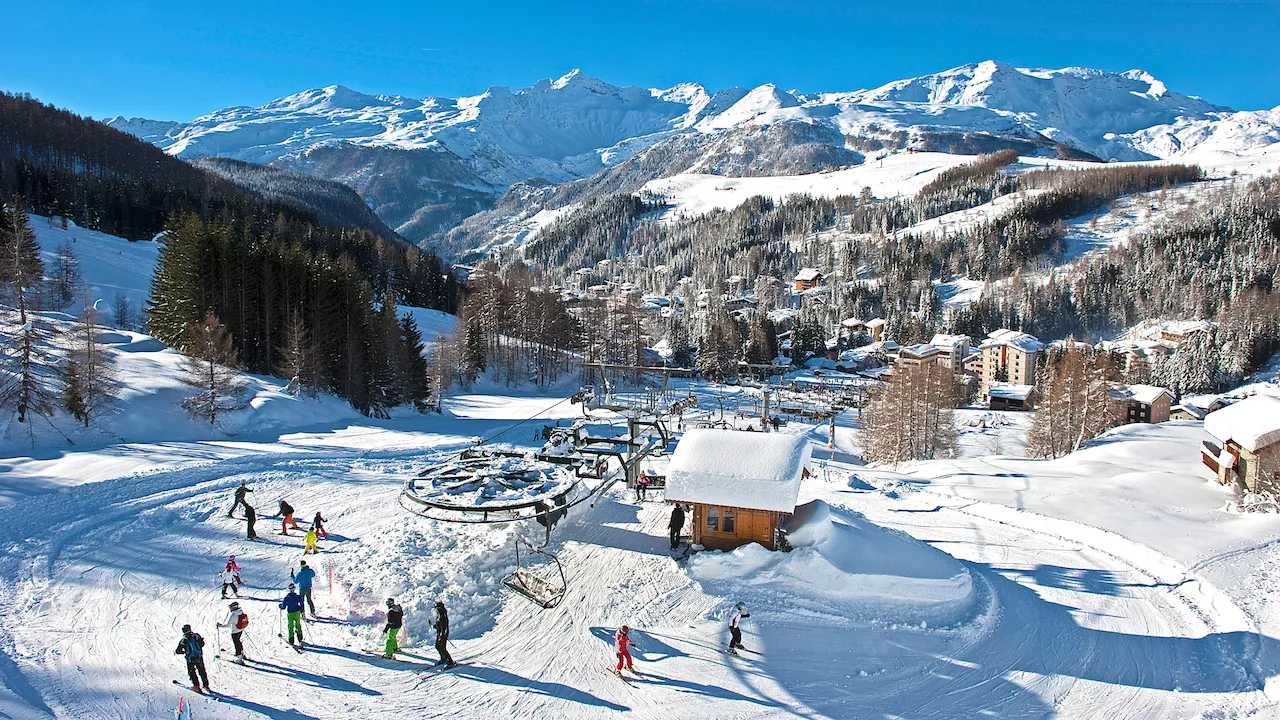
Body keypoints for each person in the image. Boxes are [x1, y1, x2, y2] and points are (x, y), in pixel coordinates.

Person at [174, 624, 210, 693]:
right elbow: (202, 644)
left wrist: (184, 651)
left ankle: (196, 686)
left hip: (190, 659)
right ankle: (206, 685)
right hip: (199, 657)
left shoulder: (183, 640)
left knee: (192, 672)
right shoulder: (196, 636)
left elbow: (178, 651)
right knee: (202, 671)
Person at [432, 600, 455, 668]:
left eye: (437, 608)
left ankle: (450, 662)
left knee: (442, 648)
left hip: (443, 634)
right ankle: (443, 658)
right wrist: (435, 626)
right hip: (440, 633)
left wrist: (442, 634)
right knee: (437, 646)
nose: (436, 609)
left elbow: (444, 625)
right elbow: (439, 624)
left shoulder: (443, 614)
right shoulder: (439, 614)